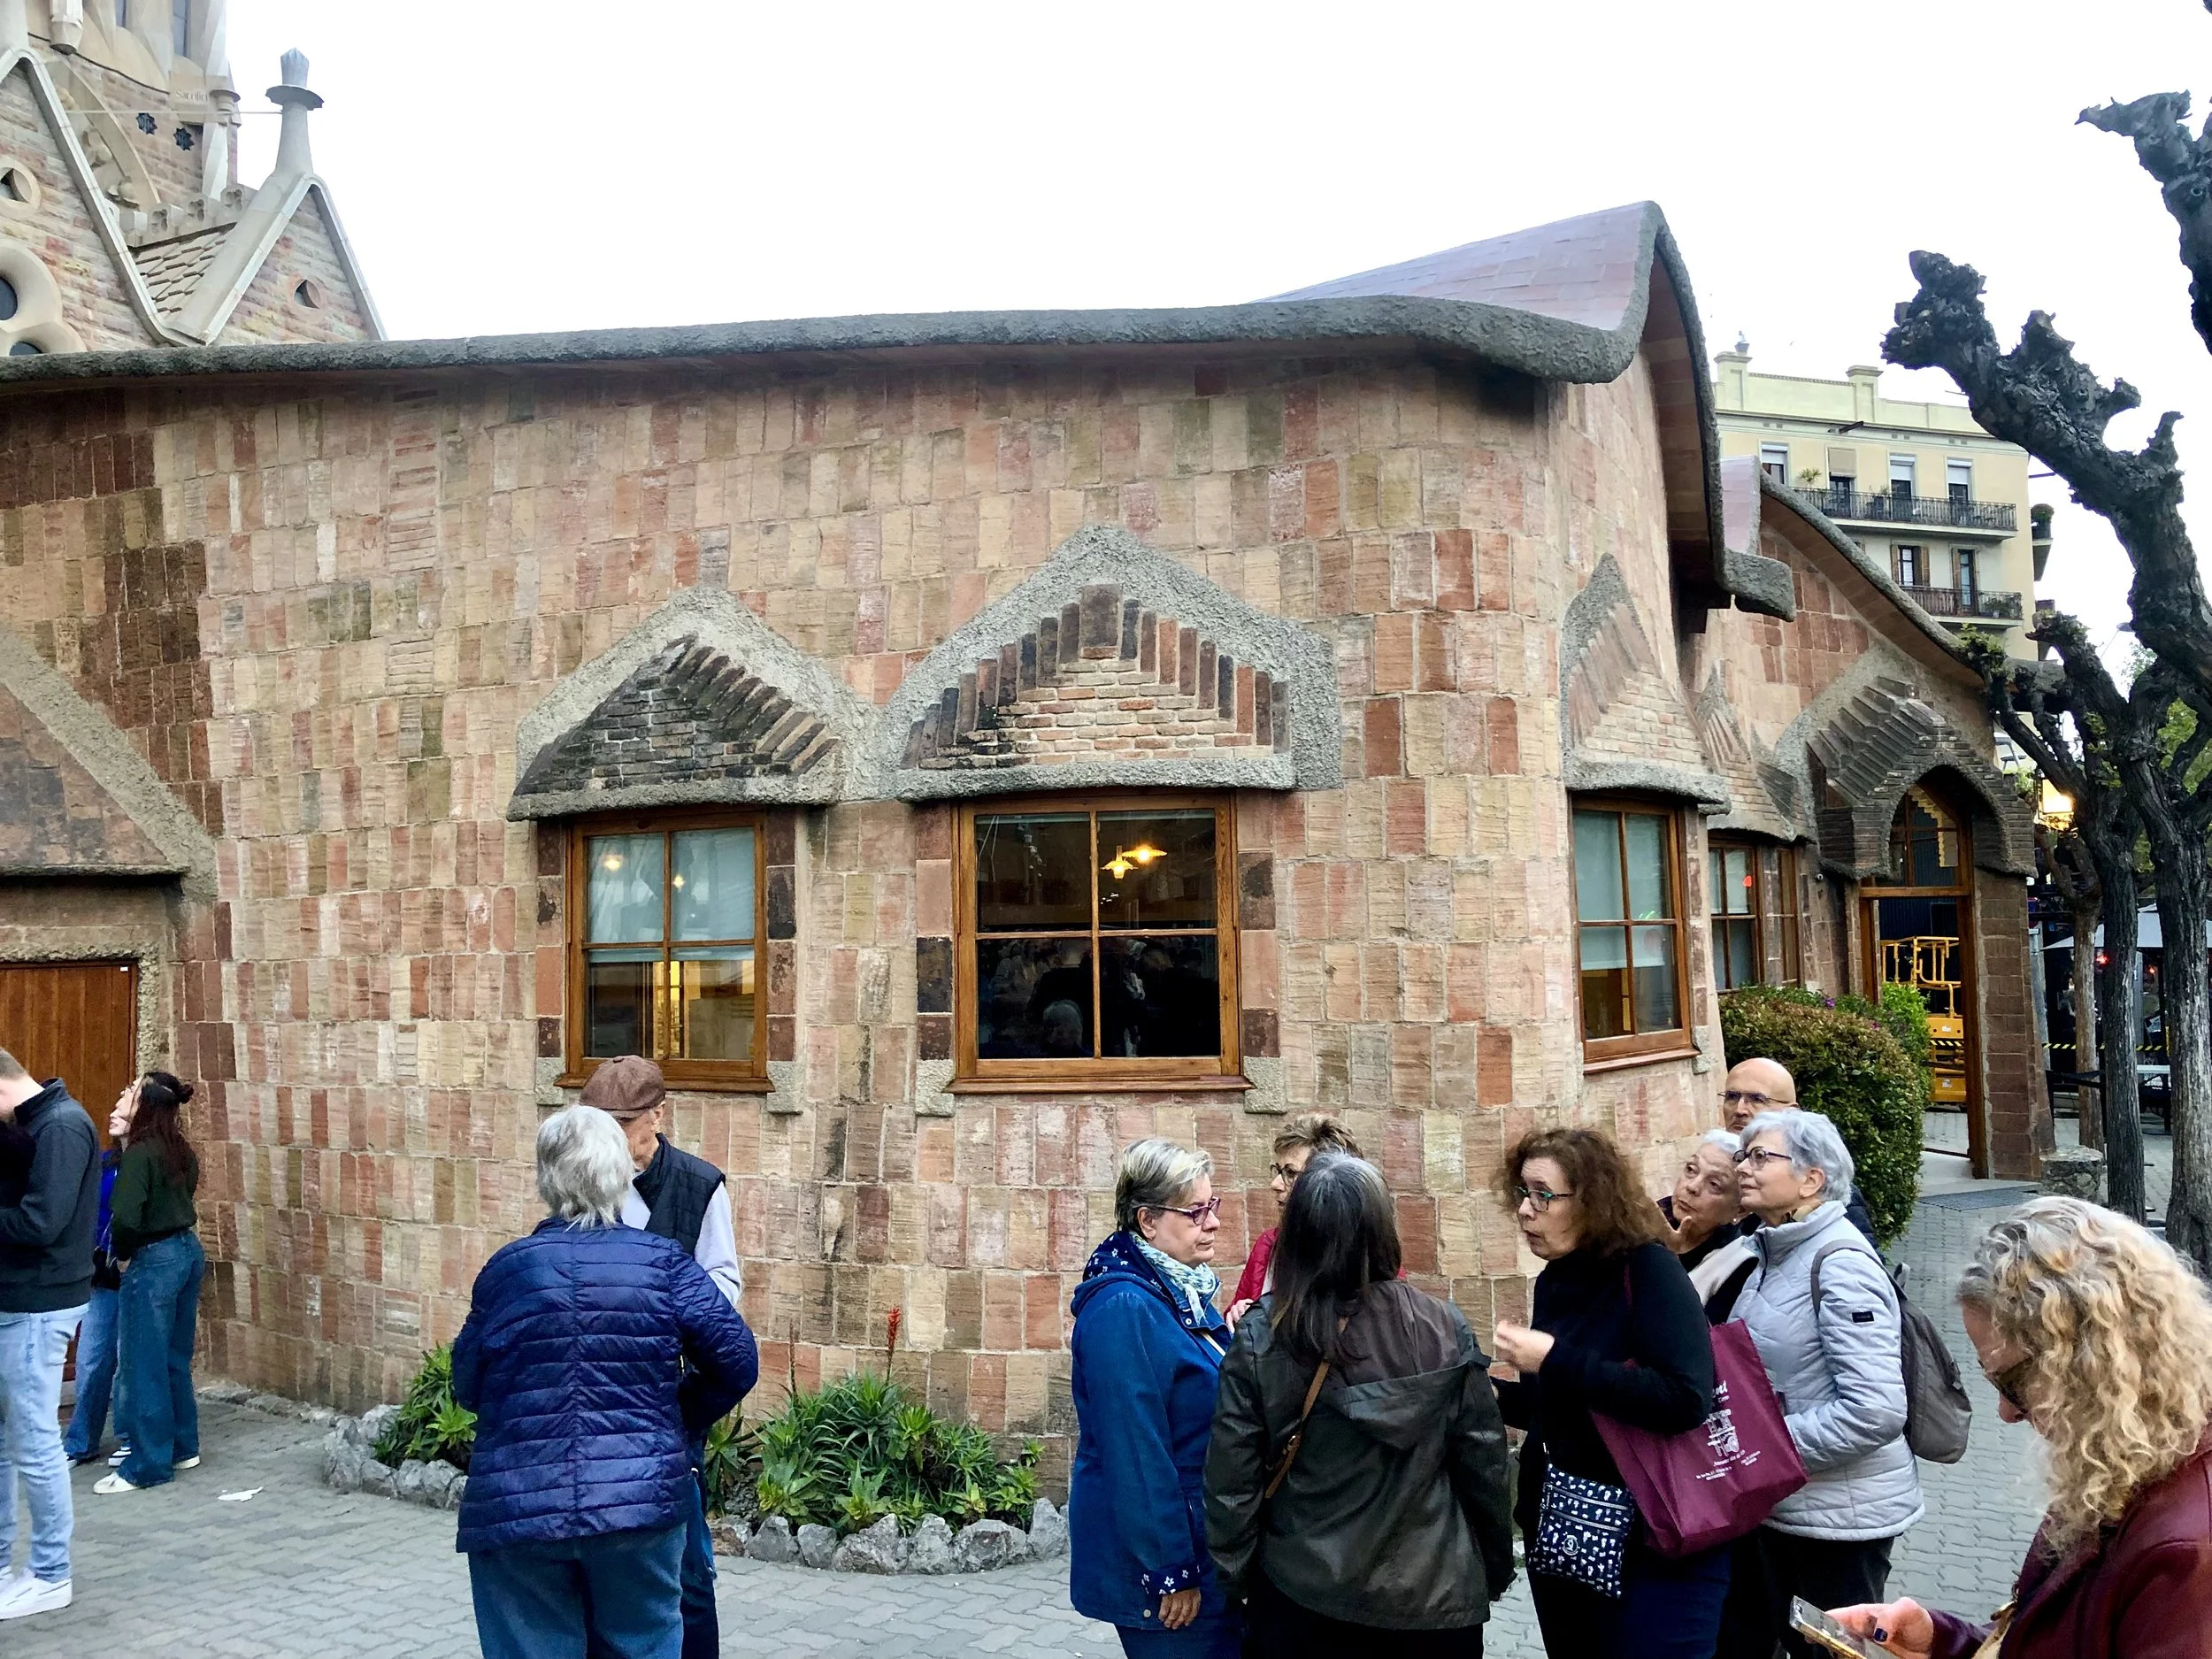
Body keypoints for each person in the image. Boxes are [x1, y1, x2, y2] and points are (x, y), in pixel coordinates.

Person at [1832, 1196, 2212, 1658]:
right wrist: (1943, 1642)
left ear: (2098, 1361)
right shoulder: (2124, 1456)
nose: (2006, 1413)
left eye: (2014, 1382)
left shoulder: (2190, 1552)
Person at [455, 1104, 757, 1659]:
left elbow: (468, 1382)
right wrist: (676, 1417)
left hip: (521, 1505)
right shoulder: (663, 1263)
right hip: (639, 1502)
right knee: (644, 1644)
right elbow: (736, 1359)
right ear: (620, 1174)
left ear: (547, 1179)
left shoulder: (507, 1270)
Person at [1204, 1154, 1514, 1657]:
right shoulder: (1443, 1325)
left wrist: (1236, 1579)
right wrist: (1492, 1567)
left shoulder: (1265, 1333)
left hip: (1302, 1596)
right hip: (1432, 1597)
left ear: (1298, 1234)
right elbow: (1483, 1463)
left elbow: (1231, 1481)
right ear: (1382, 1229)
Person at [1491, 1127, 1728, 1659]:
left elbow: (1686, 1398)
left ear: (1592, 1201)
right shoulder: (1556, 1279)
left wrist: (1554, 1358)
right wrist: (1491, 1396)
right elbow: (1570, 1407)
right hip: (1566, 1525)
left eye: (1543, 1195)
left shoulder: (1649, 1269)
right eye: (1522, 1193)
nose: (1525, 1210)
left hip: (1653, 1538)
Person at [1716, 1109, 1921, 1659]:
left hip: (1837, 1526)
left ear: (1811, 1179)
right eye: (1743, 1156)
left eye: (1761, 1157)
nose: (1744, 1168)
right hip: (1785, 1508)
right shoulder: (1773, 1250)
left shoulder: (1840, 1264)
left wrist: (1760, 1449)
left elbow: (1875, 1411)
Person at [581, 1056, 743, 1659]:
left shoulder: (701, 1184)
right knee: (602, 1559)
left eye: (624, 1123)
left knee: (689, 1570)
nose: (613, 1136)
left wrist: (667, 1314)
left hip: (669, 1392)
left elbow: (724, 1283)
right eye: (603, 1123)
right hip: (599, 1391)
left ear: (657, 1115)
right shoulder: (584, 1181)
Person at [1068, 1136, 1240, 1657]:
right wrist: (1171, 1571)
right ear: (1147, 1221)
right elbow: (1135, 1451)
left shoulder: (1177, 1291)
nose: (1213, 1222)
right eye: (1195, 1212)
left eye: (1212, 1205)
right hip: (1165, 1569)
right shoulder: (1124, 1307)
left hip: (1198, 1541)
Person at [0, 1048, 99, 1621]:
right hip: (16, 1301)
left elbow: (42, 1222)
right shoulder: (34, 1123)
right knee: (7, 1442)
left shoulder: (62, 1126)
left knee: (36, 1441)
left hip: (39, 1306)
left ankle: (50, 1574)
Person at [91, 1072, 205, 1495]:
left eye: (133, 1092)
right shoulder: (180, 1149)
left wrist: (122, 1254)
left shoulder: (139, 1153)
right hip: (186, 1251)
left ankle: (147, 1465)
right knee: (174, 1358)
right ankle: (182, 1446)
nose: (124, 1095)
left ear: (145, 1106)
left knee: (143, 1364)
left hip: (154, 1260)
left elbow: (126, 1216)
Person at [1226, 1113, 1364, 1327]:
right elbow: (1235, 1324)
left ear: (1330, 1178)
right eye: (1278, 1170)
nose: (1275, 1184)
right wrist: (1240, 1315)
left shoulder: (1367, 1253)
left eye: (1290, 1173)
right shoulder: (1268, 1245)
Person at [1720, 1058, 1877, 1244]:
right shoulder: (1711, 1168)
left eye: (1756, 1099)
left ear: (1791, 1112)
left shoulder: (1824, 1194)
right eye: (1731, 1097)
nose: (1740, 1110)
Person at [62, 1102, 126, 1466]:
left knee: (129, 1363)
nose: (112, 1113)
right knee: (91, 1361)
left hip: (136, 1272)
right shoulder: (105, 1162)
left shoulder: (152, 1161)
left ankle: (130, 1438)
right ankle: (81, 1441)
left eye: (123, 1106)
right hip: (103, 1274)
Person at [1659, 1130, 1756, 1318]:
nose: (1692, 1186)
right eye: (1691, 1170)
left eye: (1714, 1184)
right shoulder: (1642, 1224)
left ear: (1740, 1211)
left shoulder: (1740, 1264)